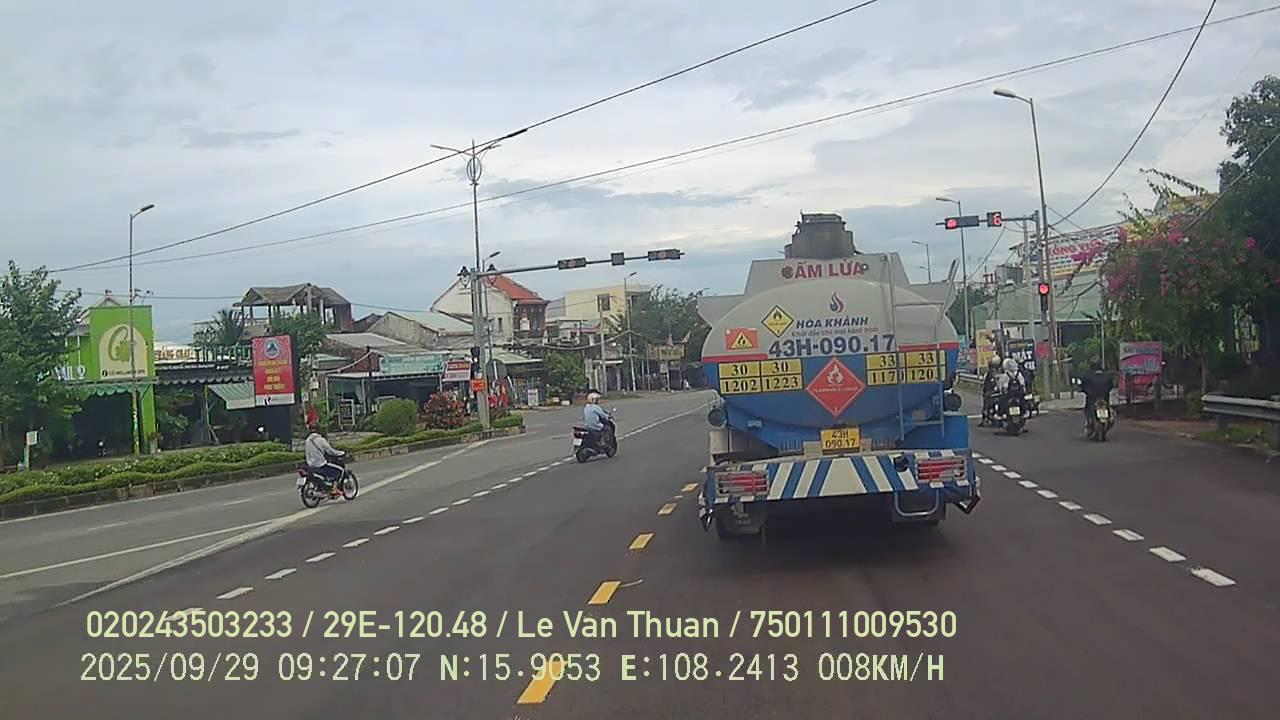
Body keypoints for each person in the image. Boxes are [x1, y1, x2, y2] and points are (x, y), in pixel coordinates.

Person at [304, 423, 346, 496]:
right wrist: (341, 453)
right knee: (340, 471)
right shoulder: (320, 440)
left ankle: (325, 487)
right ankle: (334, 489)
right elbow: (330, 451)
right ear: (319, 430)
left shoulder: (307, 440)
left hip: (310, 464)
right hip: (320, 464)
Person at [1080, 357, 1115, 423]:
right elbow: (1111, 385)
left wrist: (1084, 390)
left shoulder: (1087, 374)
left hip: (1092, 397)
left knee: (1088, 408)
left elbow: (1083, 385)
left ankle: (1089, 420)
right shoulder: (1106, 374)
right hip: (1104, 396)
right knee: (1107, 404)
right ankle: (1109, 416)